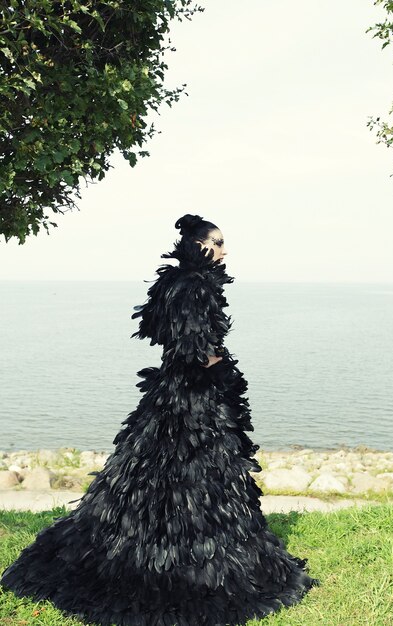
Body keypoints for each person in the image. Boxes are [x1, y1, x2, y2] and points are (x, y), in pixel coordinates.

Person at [0, 214, 320, 625]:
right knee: (199, 468)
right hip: (194, 397)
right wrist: (223, 371)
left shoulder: (171, 283)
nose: (225, 251)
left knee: (150, 469)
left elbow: (156, 328)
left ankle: (150, 535)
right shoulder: (197, 285)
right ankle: (187, 550)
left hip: (167, 393)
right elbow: (195, 346)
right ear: (198, 246)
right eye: (218, 243)